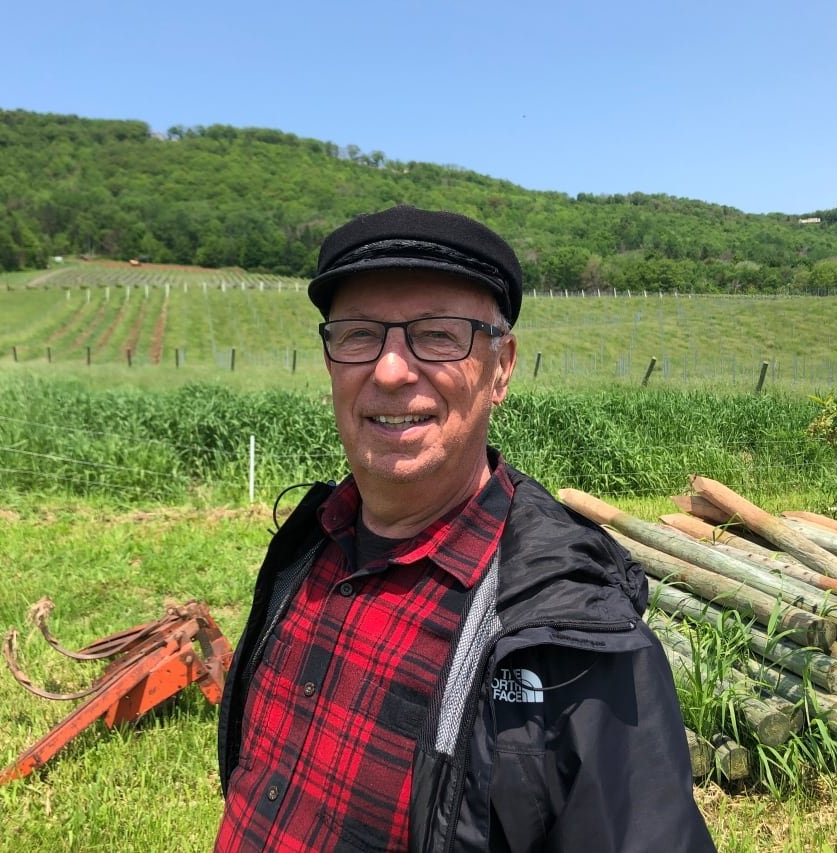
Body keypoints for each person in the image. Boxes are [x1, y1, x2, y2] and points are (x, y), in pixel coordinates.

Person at [215, 205, 714, 852]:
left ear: (501, 367)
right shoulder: (307, 549)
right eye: (361, 334)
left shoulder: (566, 632)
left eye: (439, 334)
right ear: (331, 359)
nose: (391, 370)